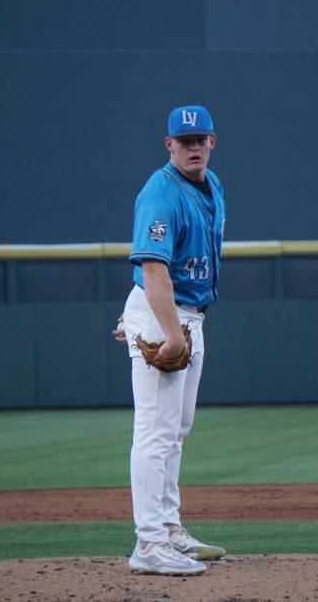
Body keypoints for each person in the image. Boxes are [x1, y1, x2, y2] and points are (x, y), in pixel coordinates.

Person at [112, 104, 227, 575]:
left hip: (185, 314)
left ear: (213, 142)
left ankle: (169, 528)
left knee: (176, 432)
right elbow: (154, 267)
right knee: (155, 434)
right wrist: (161, 328)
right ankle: (149, 543)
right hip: (167, 314)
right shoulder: (160, 193)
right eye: (185, 141)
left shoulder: (212, 185)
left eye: (200, 139)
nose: (194, 146)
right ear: (169, 146)